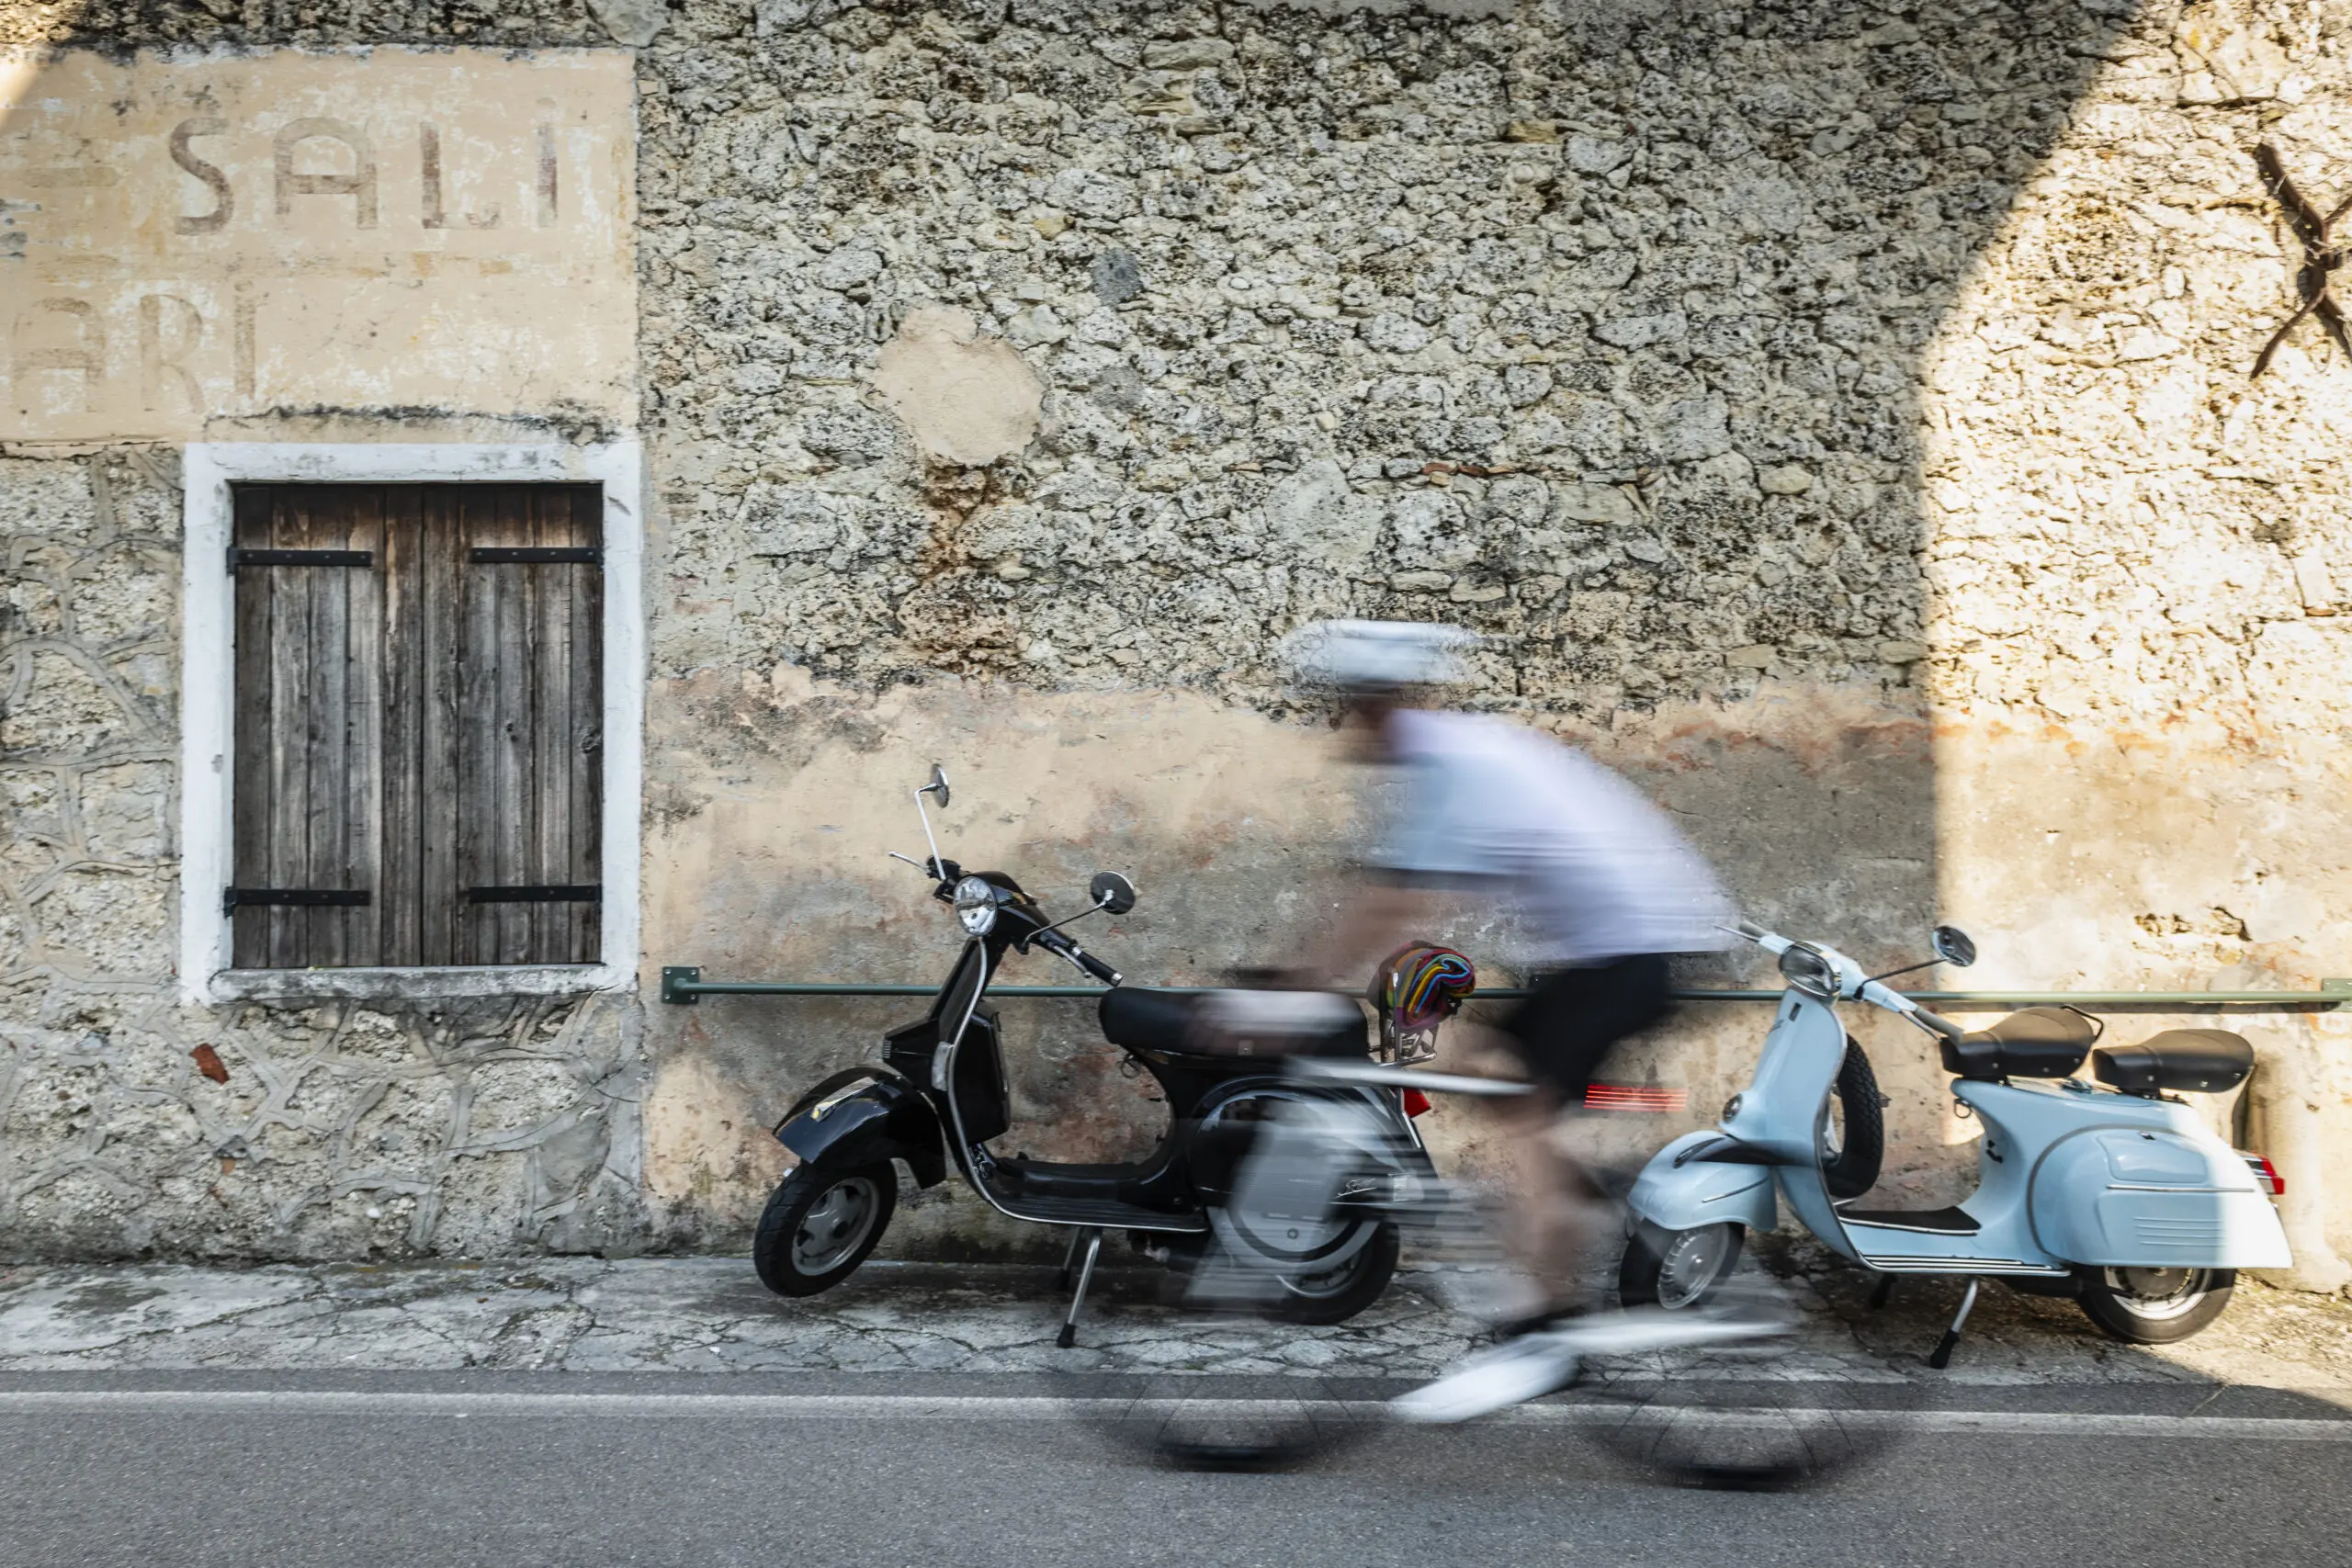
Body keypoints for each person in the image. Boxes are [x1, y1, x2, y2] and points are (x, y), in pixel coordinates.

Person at [1272, 618, 1733, 1331]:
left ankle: (1554, 1303)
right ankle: (1576, 1200)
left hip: (1632, 949)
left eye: (1347, 709)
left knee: (1525, 1105)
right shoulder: (1461, 750)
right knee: (1497, 1073)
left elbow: (1396, 897)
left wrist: (1301, 980)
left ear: (1375, 705)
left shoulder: (1450, 761)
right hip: (1609, 949)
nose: (1345, 731)